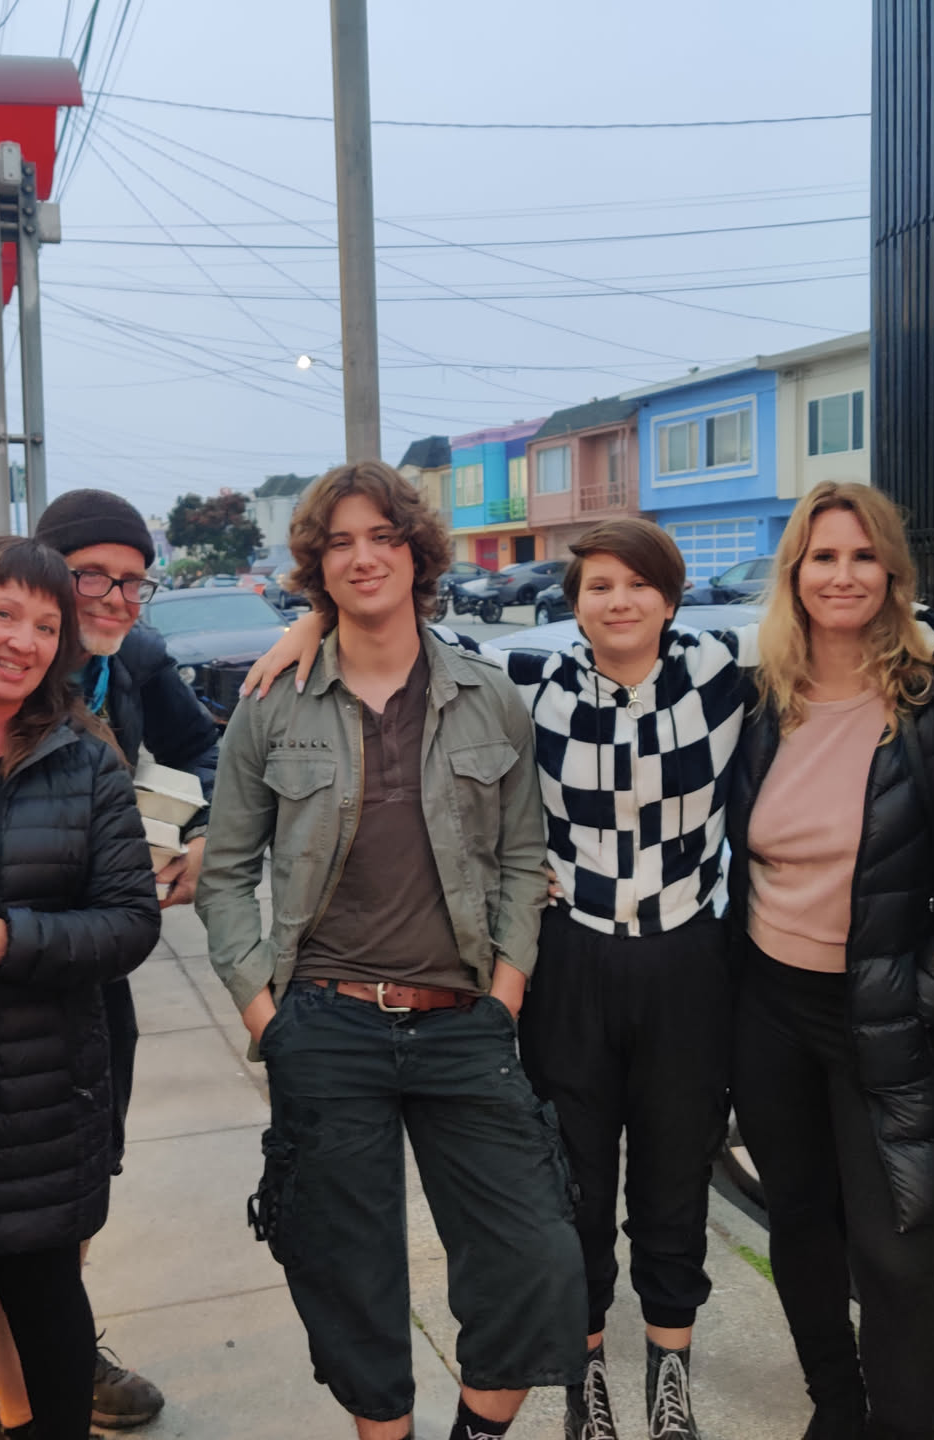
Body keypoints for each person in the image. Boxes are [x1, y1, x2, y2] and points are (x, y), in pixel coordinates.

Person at [244, 516, 934, 1440]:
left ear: (670, 597)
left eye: (640, 584)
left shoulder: (723, 670)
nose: (620, 601)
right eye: (599, 586)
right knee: (575, 1185)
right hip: (572, 960)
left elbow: (845, 616)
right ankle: (585, 1385)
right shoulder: (530, 678)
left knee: (675, 1181)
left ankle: (670, 1383)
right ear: (575, 602)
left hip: (686, 962)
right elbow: (408, 636)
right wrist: (313, 621)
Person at [196, 459, 587, 1440]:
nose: (362, 557)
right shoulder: (273, 703)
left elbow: (523, 857)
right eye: (339, 542)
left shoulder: (488, 696)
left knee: (537, 1259)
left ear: (418, 554)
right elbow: (225, 871)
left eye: (382, 536)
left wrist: (506, 993)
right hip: (324, 1024)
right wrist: (265, 1016)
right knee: (348, 1274)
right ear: (316, 568)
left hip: (463, 1023)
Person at [722, 483, 934, 1440]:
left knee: (892, 1256)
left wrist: (926, 997)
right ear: (794, 573)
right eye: (822, 557)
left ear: (891, 573)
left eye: (862, 557)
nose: (841, 576)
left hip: (886, 1010)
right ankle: (835, 1412)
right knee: (800, 1226)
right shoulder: (756, 698)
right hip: (769, 1008)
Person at [0, 536, 161, 1440]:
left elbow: (130, 921)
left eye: (47, 626)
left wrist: (8, 939)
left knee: (47, 1304)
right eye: (4, 613)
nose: (24, 641)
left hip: (40, 1091)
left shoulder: (82, 761)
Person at [33, 486, 213, 1430]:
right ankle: (5, 1378)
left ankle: (62, 1342)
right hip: (1, 973)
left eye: (134, 580)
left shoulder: (134, 660)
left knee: (83, 1179)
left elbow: (206, 750)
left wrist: (195, 836)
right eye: (91, 575)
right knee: (0, 1194)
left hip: (99, 967)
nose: (116, 597)